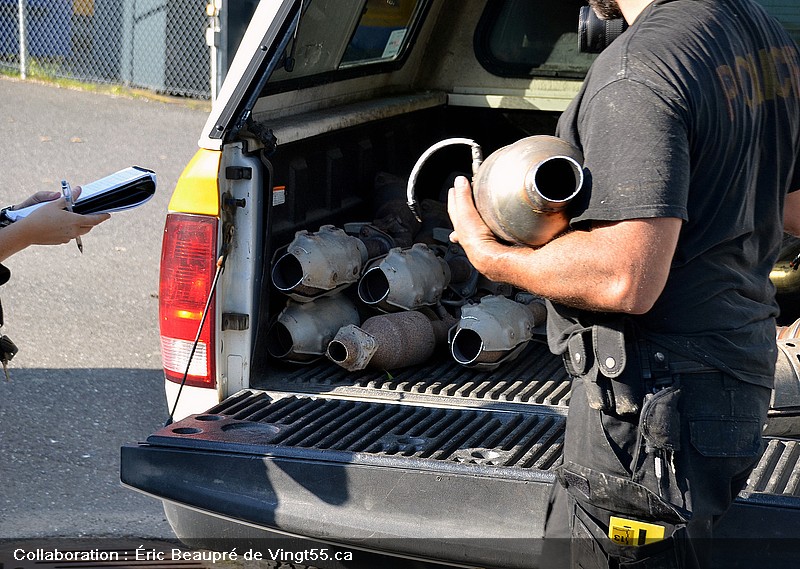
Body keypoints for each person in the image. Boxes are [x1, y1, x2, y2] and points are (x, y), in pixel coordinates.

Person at [447, 0, 800, 567]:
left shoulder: (639, 68)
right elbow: (792, 201)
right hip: (734, 379)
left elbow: (624, 278)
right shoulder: (761, 34)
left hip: (656, 413)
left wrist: (491, 256)